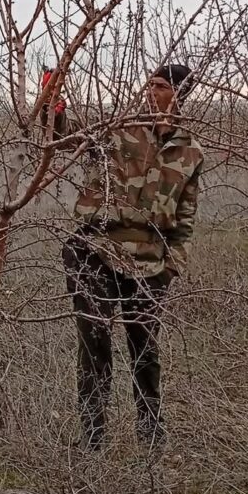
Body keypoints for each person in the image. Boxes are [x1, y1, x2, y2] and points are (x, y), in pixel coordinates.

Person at [56, 64, 203, 450]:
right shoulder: (119, 128)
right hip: (95, 253)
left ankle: (151, 436)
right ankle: (92, 442)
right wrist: (52, 105)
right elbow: (65, 138)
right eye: (148, 84)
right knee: (95, 347)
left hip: (150, 264)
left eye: (159, 86)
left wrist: (171, 266)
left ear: (178, 93)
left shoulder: (190, 151)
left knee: (145, 351)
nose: (149, 92)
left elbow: (186, 217)